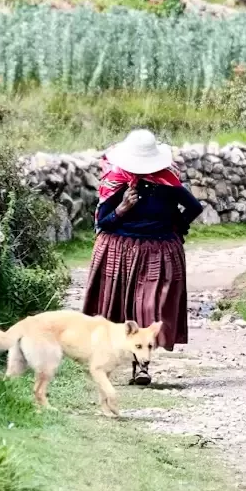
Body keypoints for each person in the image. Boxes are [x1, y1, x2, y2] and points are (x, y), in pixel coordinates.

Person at [83, 129, 203, 386]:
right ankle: (109, 361)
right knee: (118, 308)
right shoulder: (116, 180)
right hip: (118, 250)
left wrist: (177, 227)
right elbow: (103, 223)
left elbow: (194, 207)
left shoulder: (167, 181)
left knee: (149, 308)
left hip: (158, 251)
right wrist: (122, 208)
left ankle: (142, 367)